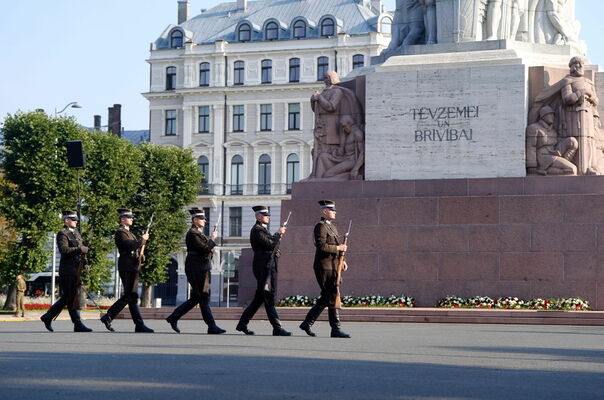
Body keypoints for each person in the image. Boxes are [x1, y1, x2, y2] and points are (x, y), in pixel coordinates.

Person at [165, 208, 225, 334]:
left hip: (201, 267)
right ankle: (212, 326)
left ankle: (174, 317)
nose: (205, 220)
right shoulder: (192, 233)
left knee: (197, 297)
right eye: (202, 219)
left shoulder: (199, 233)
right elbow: (204, 248)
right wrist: (213, 239)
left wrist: (210, 248)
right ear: (195, 220)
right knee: (202, 297)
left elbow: (207, 250)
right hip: (196, 268)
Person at [236, 206, 291, 336]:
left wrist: (277, 240)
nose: (268, 217)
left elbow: (273, 246)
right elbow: (270, 244)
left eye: (268, 215)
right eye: (265, 215)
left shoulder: (263, 230)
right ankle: (277, 327)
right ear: (258, 216)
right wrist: (278, 233)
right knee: (269, 296)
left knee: (259, 298)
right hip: (264, 267)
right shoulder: (257, 230)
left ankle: (242, 324)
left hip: (268, 265)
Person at [299, 200, 350, 338]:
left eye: (334, 210)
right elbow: (321, 246)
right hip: (323, 266)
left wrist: (342, 260)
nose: (335, 212)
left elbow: (337, 247)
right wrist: (338, 248)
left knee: (326, 297)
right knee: (332, 295)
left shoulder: (332, 227)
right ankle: (336, 329)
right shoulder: (320, 226)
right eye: (332, 210)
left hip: (333, 266)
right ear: (324, 211)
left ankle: (307, 323)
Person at [100, 209, 153, 333]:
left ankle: (112, 317)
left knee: (131, 296)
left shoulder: (130, 233)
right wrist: (142, 239)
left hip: (132, 265)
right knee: (131, 296)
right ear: (122, 219)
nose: (132, 219)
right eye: (129, 217)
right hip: (127, 266)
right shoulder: (120, 232)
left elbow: (135, 249)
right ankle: (113, 317)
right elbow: (130, 246)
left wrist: (141, 255)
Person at [40, 211, 92, 332]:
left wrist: (86, 263)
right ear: (66, 220)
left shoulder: (77, 233)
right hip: (67, 270)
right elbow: (64, 250)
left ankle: (47, 317)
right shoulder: (62, 234)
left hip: (76, 269)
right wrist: (79, 249)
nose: (76, 221)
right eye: (73, 219)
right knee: (71, 297)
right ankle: (77, 324)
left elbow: (83, 251)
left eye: (76, 219)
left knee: (67, 297)